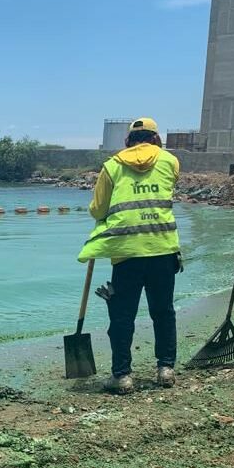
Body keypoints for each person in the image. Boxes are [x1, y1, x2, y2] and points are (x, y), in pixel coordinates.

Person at [78, 118, 181, 395]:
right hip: (163, 248)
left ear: (127, 142)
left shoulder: (112, 166)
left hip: (126, 253)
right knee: (163, 311)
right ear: (157, 139)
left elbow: (98, 210)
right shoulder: (170, 162)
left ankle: (122, 376)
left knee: (122, 315)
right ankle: (165, 369)